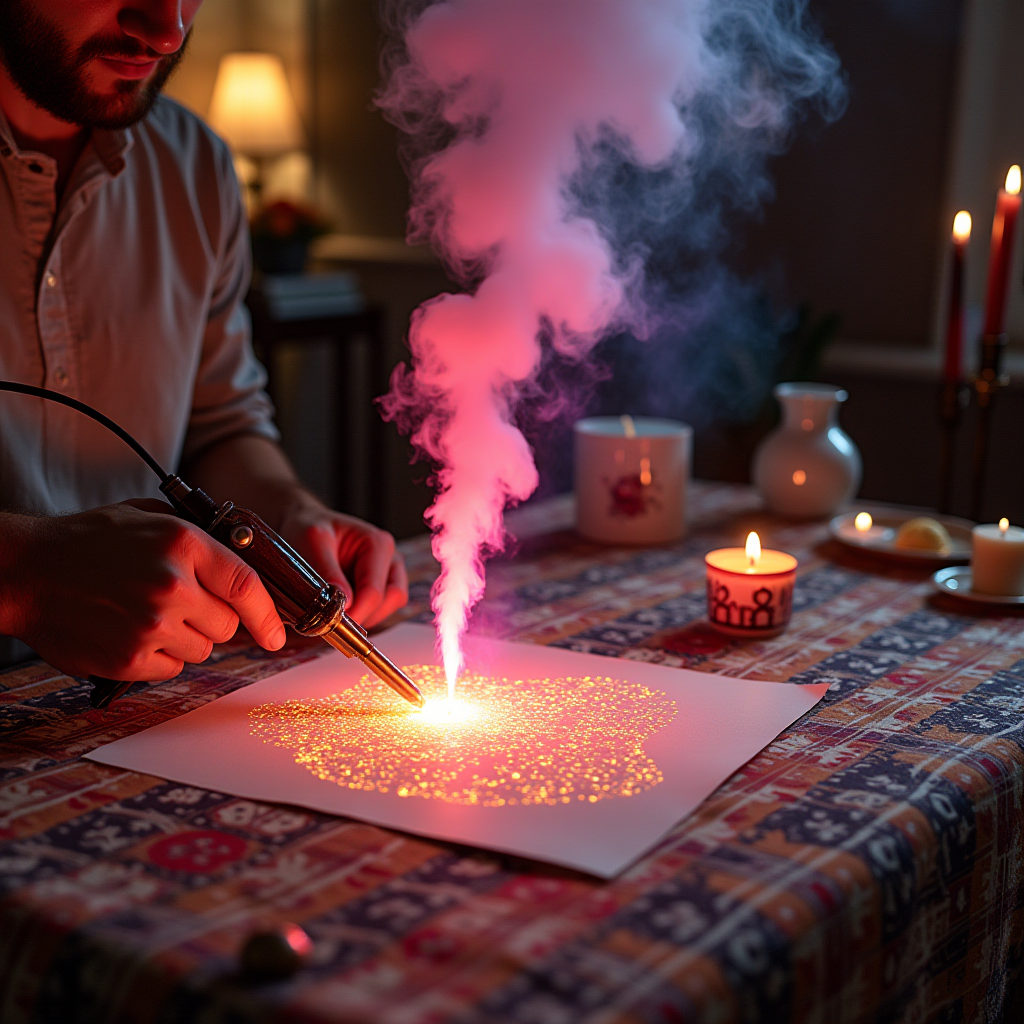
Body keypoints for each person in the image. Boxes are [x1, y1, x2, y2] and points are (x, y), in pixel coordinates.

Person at [0, 0, 408, 681]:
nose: (168, 31)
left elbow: (221, 427)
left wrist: (291, 512)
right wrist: (25, 577)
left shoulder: (197, 167)